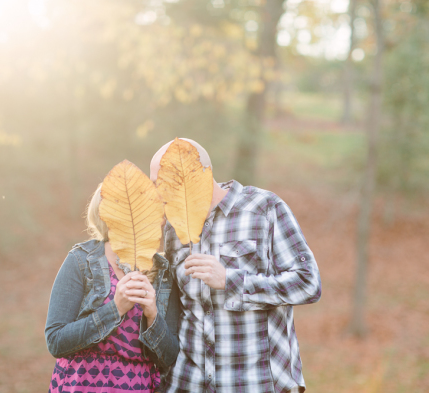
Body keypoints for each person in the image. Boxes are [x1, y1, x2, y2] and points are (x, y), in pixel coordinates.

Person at [149, 139, 322, 393]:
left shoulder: (264, 209)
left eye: (160, 184)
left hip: (256, 384)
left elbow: (308, 283)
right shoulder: (174, 231)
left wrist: (232, 281)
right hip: (187, 384)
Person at [45, 183, 180, 393]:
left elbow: (168, 357)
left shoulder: (162, 273)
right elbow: (56, 342)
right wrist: (115, 309)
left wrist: (153, 316)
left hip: (136, 386)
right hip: (81, 383)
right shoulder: (81, 261)